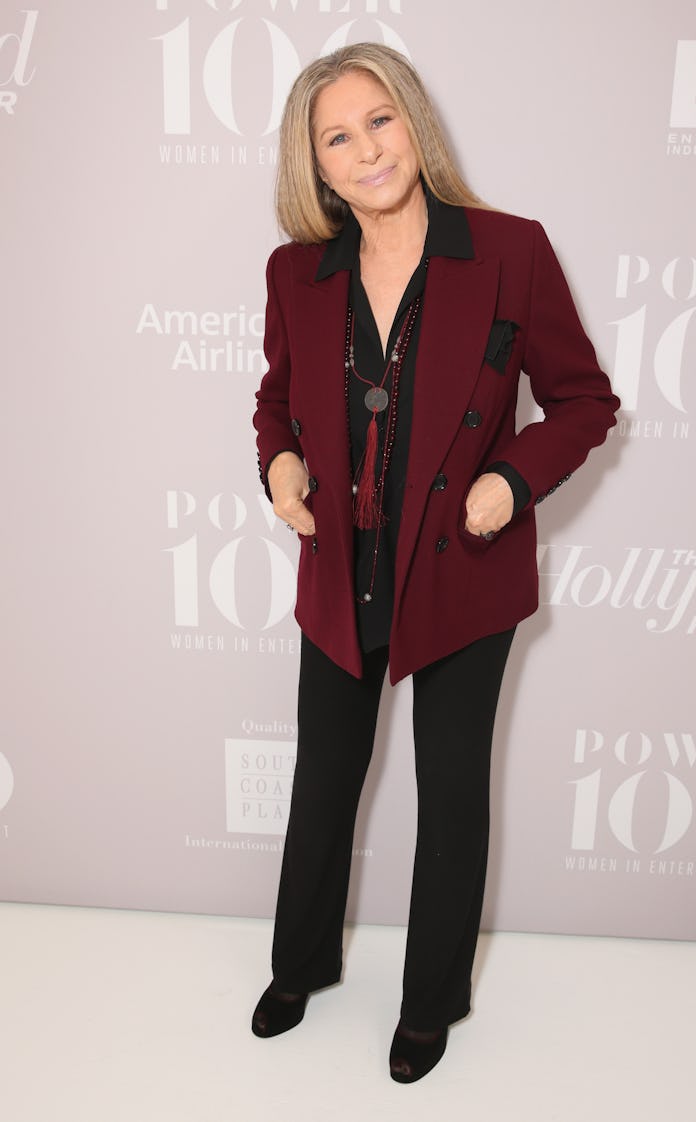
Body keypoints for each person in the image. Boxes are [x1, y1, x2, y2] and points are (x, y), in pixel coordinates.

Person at [251, 42, 619, 1082]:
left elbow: (584, 398)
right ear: (313, 167)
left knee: (451, 784)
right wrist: (277, 463)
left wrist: (510, 479)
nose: (366, 148)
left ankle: (430, 1002)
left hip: (464, 566)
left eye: (381, 119)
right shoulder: (296, 271)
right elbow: (274, 399)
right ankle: (299, 967)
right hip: (340, 567)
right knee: (324, 775)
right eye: (337, 135)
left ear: (414, 121)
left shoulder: (509, 250)